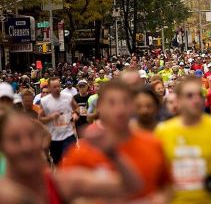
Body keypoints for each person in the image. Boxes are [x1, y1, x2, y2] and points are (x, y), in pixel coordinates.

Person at [0, 108, 143, 203]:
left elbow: (131, 186)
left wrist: (112, 153)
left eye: (31, 136)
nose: (27, 146)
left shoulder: (62, 183)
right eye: (15, 139)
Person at [62, 80, 172, 201]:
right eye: (111, 103)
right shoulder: (81, 152)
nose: (120, 109)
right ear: (99, 107)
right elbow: (64, 195)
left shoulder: (153, 143)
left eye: (125, 102)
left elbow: (167, 187)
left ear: (133, 106)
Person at [154, 76, 211, 204]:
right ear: (179, 100)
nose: (196, 100)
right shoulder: (163, 132)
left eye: (199, 95)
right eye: (189, 95)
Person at [39, 77, 81, 165]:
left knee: (68, 159)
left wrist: (75, 114)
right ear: (49, 88)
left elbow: (77, 108)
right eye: (54, 87)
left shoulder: (68, 97)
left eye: (58, 86)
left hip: (68, 135)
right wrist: (51, 117)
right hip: (54, 137)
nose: (57, 89)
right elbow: (41, 119)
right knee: (58, 162)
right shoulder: (44, 101)